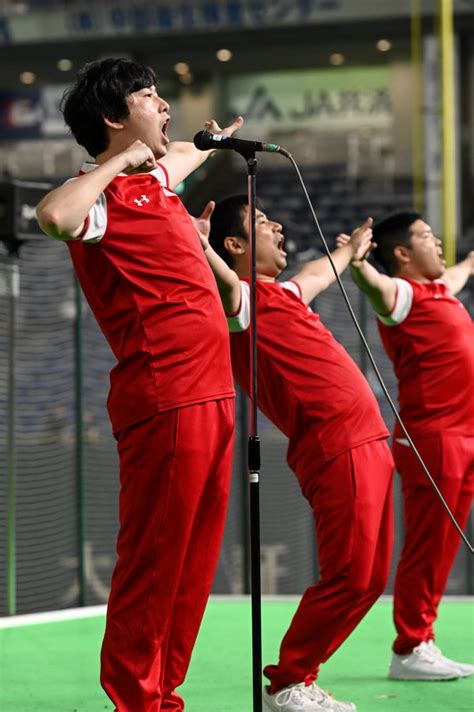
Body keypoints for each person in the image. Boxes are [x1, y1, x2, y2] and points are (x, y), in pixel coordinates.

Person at [36, 57, 243, 711]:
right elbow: (53, 217)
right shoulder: (103, 199)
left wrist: (199, 146)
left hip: (214, 396)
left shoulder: (155, 181)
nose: (164, 105)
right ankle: (135, 700)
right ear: (112, 118)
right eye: (149, 97)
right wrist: (111, 163)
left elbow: (181, 150)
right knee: (154, 562)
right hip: (168, 398)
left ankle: (163, 695)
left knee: (191, 566)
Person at [203, 195, 395, 712]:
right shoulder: (239, 300)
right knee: (350, 575)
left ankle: (297, 679)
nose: (278, 225)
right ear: (235, 245)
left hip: (370, 441)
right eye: (262, 222)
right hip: (337, 446)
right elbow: (218, 276)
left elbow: (317, 272)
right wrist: (196, 242)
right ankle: (287, 683)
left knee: (372, 579)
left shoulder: (283, 293)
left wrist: (352, 250)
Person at [341, 211, 474, 681]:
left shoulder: (441, 291)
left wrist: (471, 262)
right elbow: (374, 284)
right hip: (432, 439)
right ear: (401, 253)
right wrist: (358, 264)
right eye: (427, 237)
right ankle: (410, 647)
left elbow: (457, 272)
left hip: (464, 437)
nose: (438, 243)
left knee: (442, 547)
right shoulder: (401, 295)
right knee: (427, 544)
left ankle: (424, 641)